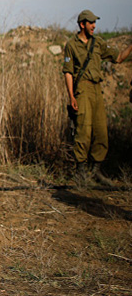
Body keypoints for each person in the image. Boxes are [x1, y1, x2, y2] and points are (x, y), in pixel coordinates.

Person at [63, 9, 132, 184]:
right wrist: (71, 96)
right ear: (82, 24)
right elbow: (68, 73)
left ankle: (96, 171)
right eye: (91, 23)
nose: (94, 26)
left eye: (95, 23)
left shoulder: (98, 43)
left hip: (96, 90)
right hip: (83, 91)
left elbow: (118, 58)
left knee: (101, 132)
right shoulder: (71, 45)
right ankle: (81, 173)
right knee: (83, 131)